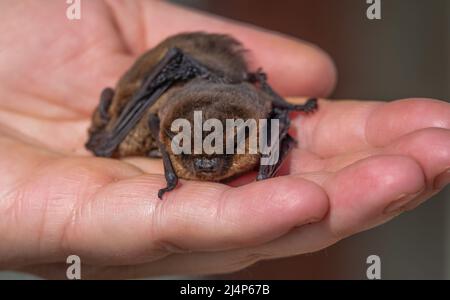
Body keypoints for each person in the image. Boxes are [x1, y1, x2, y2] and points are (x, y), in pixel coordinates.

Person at [0, 0, 448, 279]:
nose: (210, 170)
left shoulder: (250, 123)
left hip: (218, 86)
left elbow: (259, 113)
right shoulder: (168, 124)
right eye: (198, 161)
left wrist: (281, 117)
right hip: (194, 85)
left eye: (216, 160)